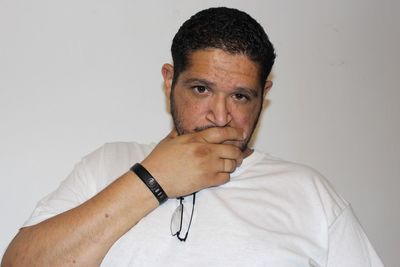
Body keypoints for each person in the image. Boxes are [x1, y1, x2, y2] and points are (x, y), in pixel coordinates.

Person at [1, 7, 384, 267]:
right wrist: (152, 180)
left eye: (240, 96)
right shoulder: (106, 165)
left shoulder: (310, 193)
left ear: (263, 95)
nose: (220, 115)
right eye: (201, 89)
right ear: (170, 80)